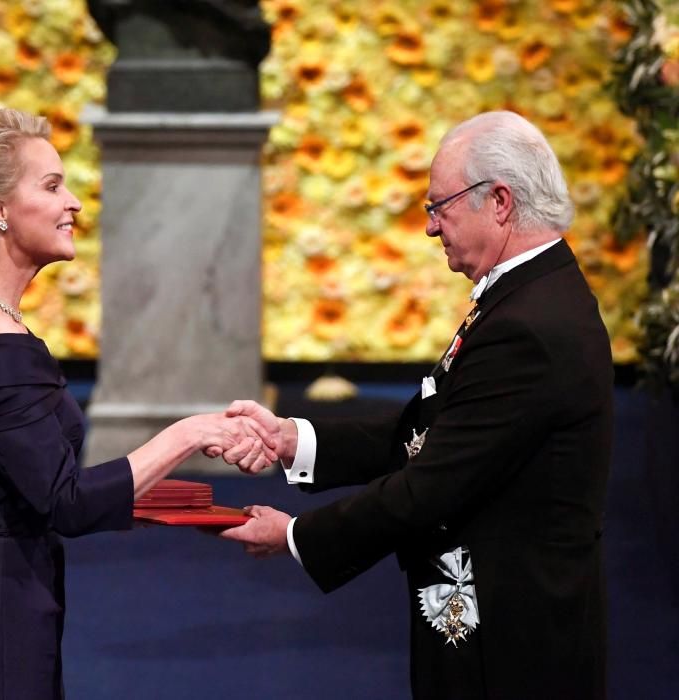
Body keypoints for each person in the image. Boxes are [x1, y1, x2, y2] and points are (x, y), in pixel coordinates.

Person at [217, 111, 613, 699]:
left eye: (439, 206)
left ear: (498, 201)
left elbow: (434, 482)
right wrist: (290, 441)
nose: (431, 228)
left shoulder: (530, 324)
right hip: (494, 621)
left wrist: (298, 536)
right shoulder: (529, 295)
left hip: (511, 641)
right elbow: (432, 431)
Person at [0, 108, 275, 699]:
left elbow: (13, 487)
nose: (74, 202)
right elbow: (65, 502)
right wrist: (190, 432)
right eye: (51, 186)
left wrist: (195, 510)